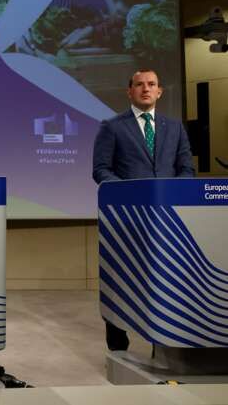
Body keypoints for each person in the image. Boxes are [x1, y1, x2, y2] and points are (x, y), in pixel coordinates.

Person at [92, 69, 194, 351]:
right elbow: (101, 170)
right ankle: (117, 348)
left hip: (169, 220)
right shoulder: (112, 127)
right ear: (130, 92)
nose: (145, 89)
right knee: (121, 281)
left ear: (160, 91)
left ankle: (163, 345)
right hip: (128, 219)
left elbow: (186, 169)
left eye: (151, 84)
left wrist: (174, 194)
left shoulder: (175, 127)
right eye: (139, 84)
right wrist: (132, 194)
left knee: (166, 282)